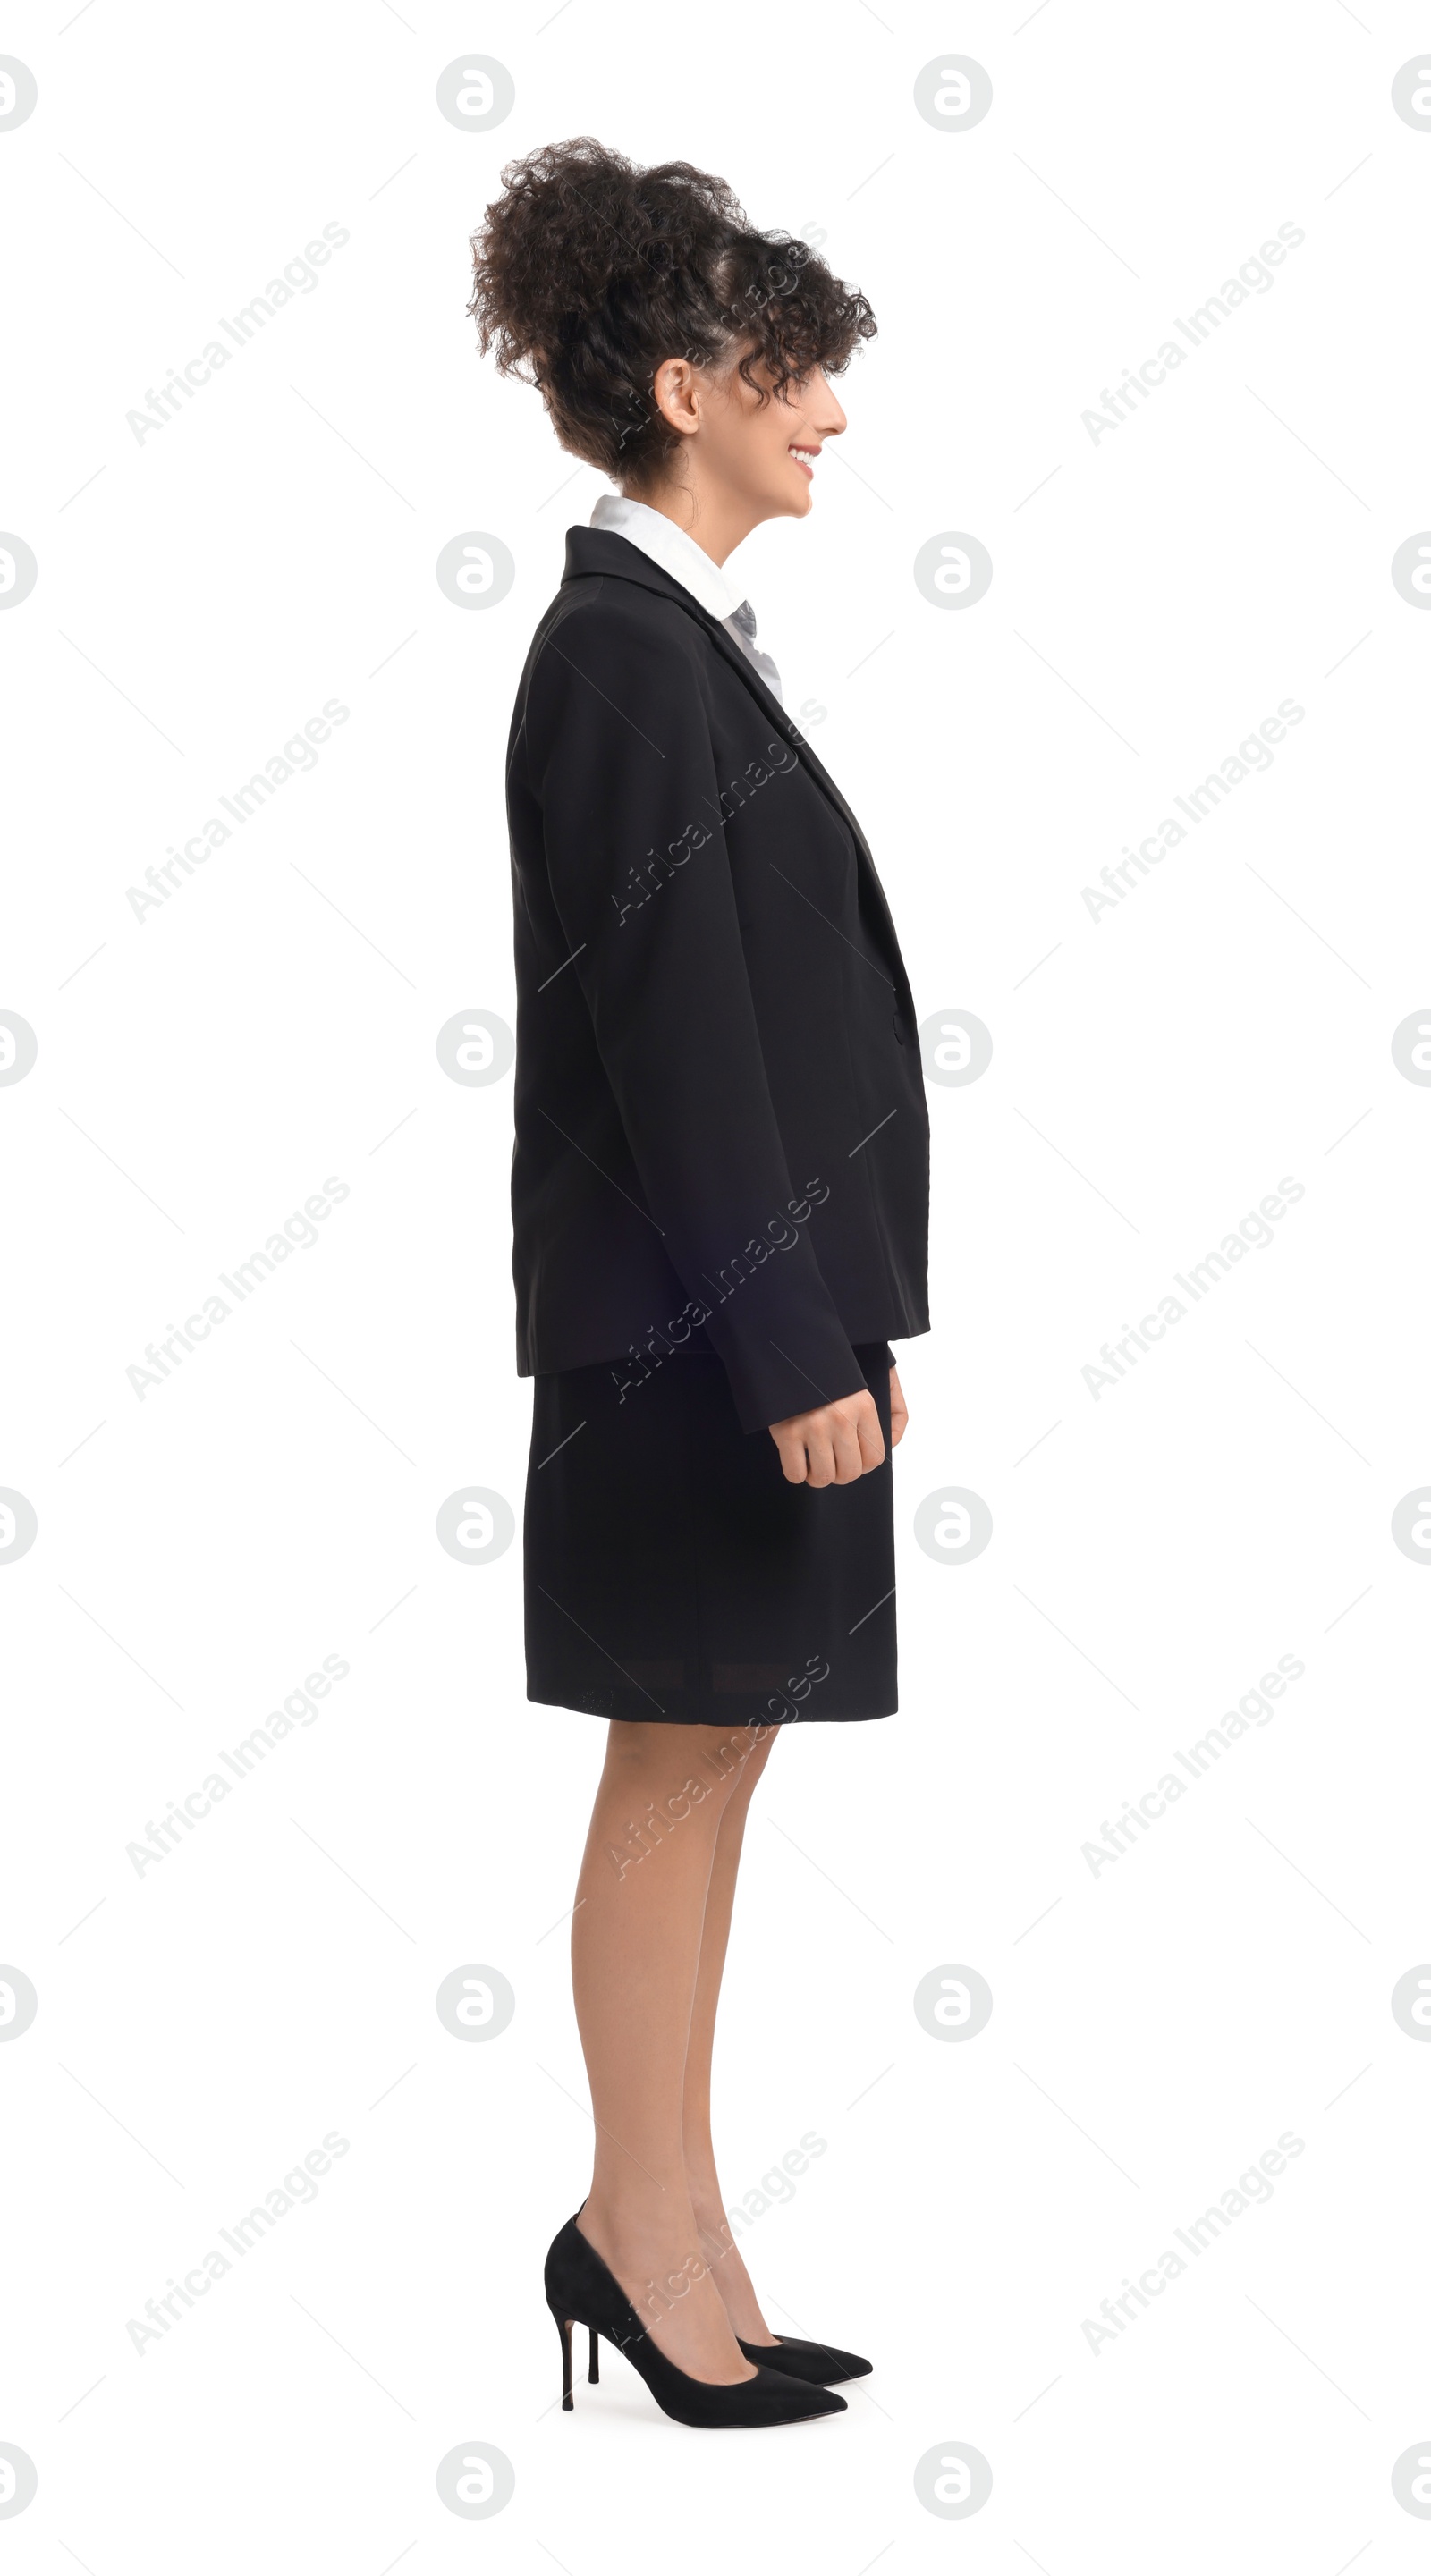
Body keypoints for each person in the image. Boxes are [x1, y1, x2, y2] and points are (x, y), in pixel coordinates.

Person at [470, 138, 930, 2429]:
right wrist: (783, 1343)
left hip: (747, 1320)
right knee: (676, 1763)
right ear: (682, 383)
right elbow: (674, 1046)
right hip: (683, 1338)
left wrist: (846, 1323)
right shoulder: (618, 657)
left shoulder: (663, 648)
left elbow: (755, 1026)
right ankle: (636, 2239)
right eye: (793, 371)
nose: (831, 406)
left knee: (715, 1752)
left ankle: (679, 2224)